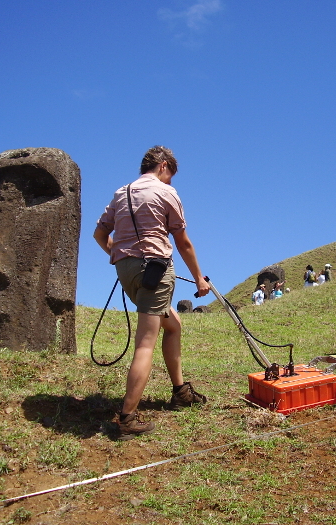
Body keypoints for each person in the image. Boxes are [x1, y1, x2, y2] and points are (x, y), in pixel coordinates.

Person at [93, 146, 210, 440]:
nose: (170, 180)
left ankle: (180, 392)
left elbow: (99, 233)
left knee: (173, 324)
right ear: (163, 165)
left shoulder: (122, 193)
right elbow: (182, 242)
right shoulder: (166, 192)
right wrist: (199, 279)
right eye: (170, 173)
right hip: (155, 270)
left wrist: (120, 255)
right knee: (145, 343)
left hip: (127, 271)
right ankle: (127, 419)